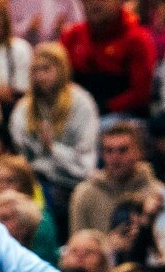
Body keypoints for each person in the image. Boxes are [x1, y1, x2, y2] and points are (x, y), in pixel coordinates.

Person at [11, 44, 102, 195]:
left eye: (46, 69)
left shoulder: (81, 102)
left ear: (61, 70)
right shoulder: (23, 108)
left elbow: (85, 159)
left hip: (74, 179)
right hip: (37, 179)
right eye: (35, 70)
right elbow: (23, 155)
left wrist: (53, 147)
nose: (40, 76)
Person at [62, 0, 158, 116]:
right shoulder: (72, 37)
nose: (94, 3)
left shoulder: (137, 40)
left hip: (122, 118)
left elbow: (140, 94)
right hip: (78, 115)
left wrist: (101, 108)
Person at [69, 123, 164, 237]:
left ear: (139, 152)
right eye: (109, 151)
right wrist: (109, 248)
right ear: (102, 155)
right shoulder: (84, 194)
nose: (115, 157)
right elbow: (78, 243)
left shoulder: (158, 193)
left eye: (123, 150)